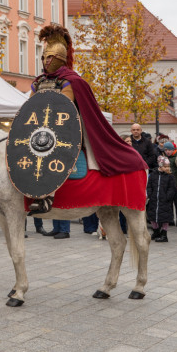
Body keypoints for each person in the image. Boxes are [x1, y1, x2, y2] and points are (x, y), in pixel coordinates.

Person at [27, 24, 148, 215]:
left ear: (60, 59)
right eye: (44, 57)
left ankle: (46, 194)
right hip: (40, 129)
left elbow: (63, 109)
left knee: (49, 149)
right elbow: (30, 109)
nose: (46, 61)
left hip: (67, 131)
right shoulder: (38, 82)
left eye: (51, 57)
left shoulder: (71, 81)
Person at [146, 155, 177, 242]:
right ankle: (156, 231)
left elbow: (172, 188)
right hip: (154, 200)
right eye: (165, 166)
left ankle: (164, 234)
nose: (167, 168)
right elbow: (149, 186)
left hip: (165, 201)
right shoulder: (153, 175)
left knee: (165, 218)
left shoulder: (170, 177)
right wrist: (150, 195)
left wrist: (168, 196)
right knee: (152, 216)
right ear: (160, 166)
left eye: (168, 166)